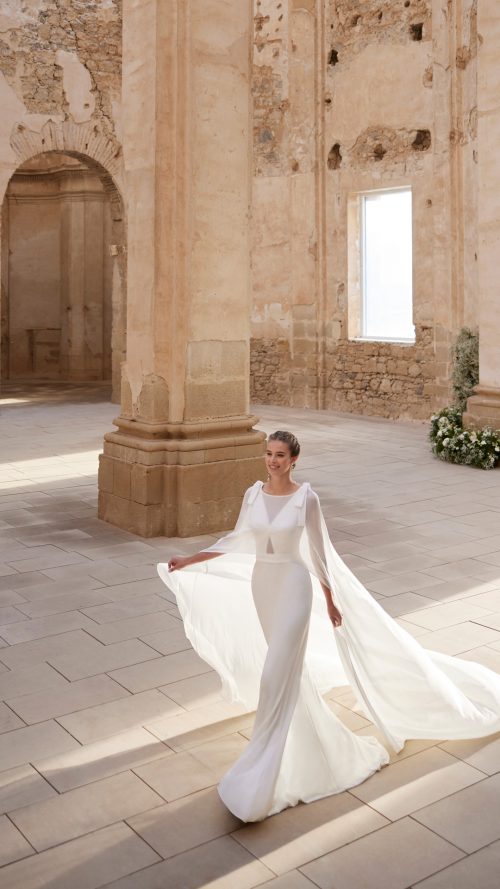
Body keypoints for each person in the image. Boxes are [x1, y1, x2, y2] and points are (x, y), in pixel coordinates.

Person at [158, 430, 500, 822]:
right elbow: (236, 539)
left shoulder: (307, 499)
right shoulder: (253, 494)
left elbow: (320, 554)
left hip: (294, 588)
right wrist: (190, 559)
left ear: (294, 460)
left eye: (280, 455)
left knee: (275, 674)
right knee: (286, 673)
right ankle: (302, 743)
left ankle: (265, 762)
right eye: (268, 454)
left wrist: (331, 600)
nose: (272, 461)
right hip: (263, 587)